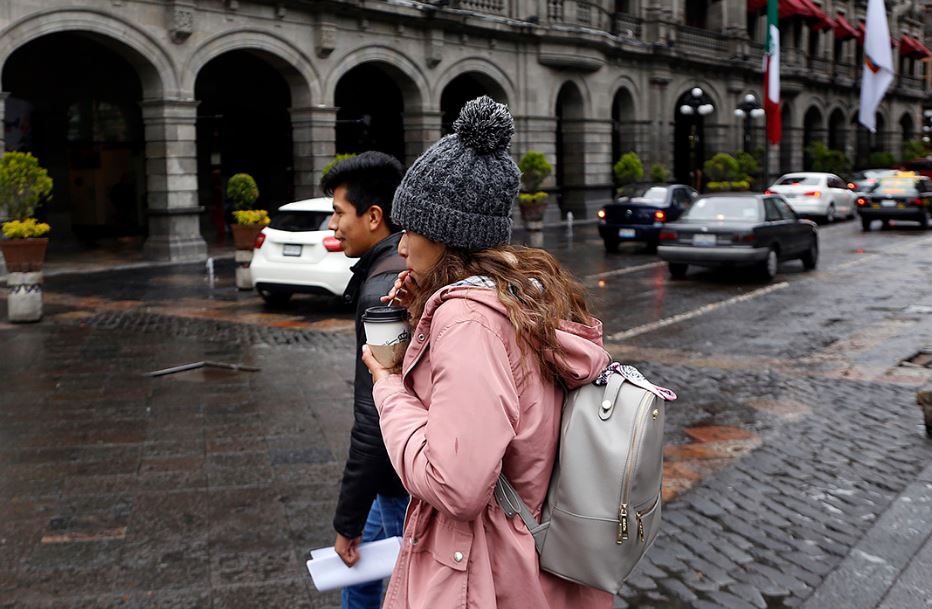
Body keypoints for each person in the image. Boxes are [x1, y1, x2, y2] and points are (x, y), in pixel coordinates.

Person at [361, 97, 613, 608]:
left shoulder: (469, 320)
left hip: (482, 574)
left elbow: (455, 484)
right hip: (525, 555)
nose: (402, 246)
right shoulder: (520, 296)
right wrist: (425, 313)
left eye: (410, 228)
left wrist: (387, 387)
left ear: (448, 236)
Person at [322, 151, 410, 609]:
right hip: (391, 472)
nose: (333, 226)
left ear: (373, 216)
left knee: (410, 589)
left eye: (339, 213)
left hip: (398, 477)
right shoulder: (393, 267)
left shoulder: (383, 290)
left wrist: (346, 519)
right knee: (358, 574)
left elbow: (376, 413)